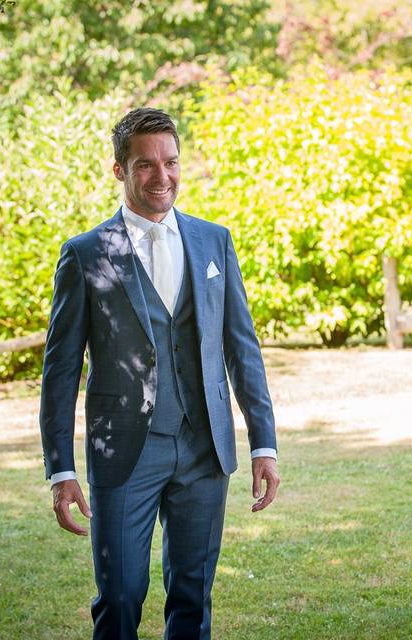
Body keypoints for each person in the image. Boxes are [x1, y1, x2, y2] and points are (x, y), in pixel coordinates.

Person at [39, 107, 280, 640]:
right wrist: (60, 469)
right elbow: (59, 372)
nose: (161, 177)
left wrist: (264, 443)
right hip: (124, 453)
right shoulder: (85, 255)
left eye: (170, 162)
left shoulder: (214, 241)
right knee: (121, 597)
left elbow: (243, 348)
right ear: (119, 170)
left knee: (193, 597)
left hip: (204, 450)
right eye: (145, 165)